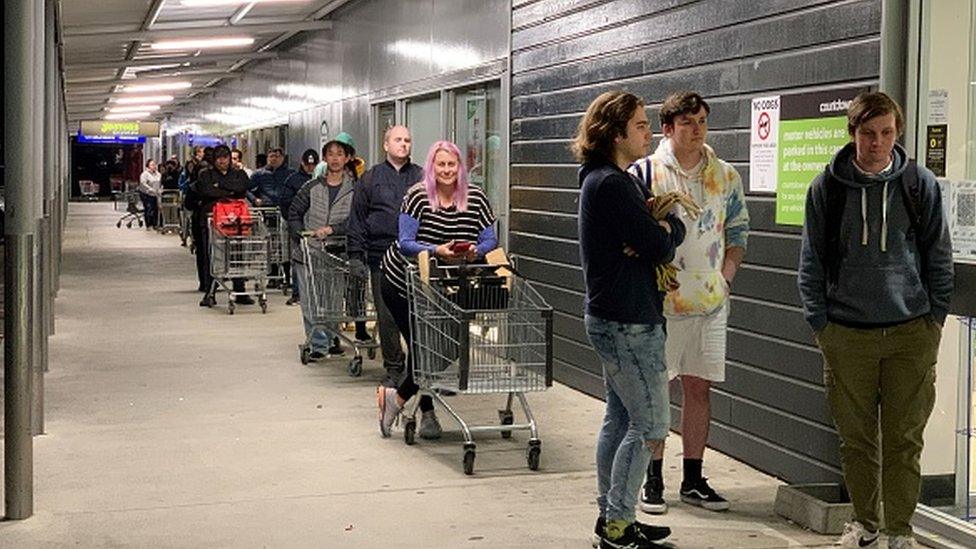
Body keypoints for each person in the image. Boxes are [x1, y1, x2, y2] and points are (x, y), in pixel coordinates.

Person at [798, 92, 953, 549]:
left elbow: (938, 256)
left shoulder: (918, 184)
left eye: (886, 133)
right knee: (856, 440)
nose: (877, 143)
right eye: (868, 133)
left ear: (897, 132)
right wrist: (820, 325)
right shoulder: (826, 187)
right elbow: (811, 262)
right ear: (852, 134)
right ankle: (864, 524)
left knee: (905, 440)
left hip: (911, 333)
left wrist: (934, 322)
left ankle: (899, 530)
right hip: (846, 335)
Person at [628, 91, 749, 515]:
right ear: (667, 128)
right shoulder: (644, 172)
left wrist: (727, 278)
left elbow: (738, 230)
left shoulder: (726, 175)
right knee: (657, 393)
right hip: (660, 305)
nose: (696, 130)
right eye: (687, 123)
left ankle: (694, 478)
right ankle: (653, 478)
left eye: (701, 121)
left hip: (711, 303)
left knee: (699, 389)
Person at [576, 91, 683, 549]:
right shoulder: (613, 185)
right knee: (651, 425)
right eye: (640, 125)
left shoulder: (613, 180)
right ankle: (617, 524)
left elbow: (665, 228)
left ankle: (613, 516)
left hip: (618, 317)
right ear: (615, 133)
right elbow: (660, 242)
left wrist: (662, 228)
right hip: (627, 322)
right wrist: (661, 231)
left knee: (620, 420)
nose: (648, 131)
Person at [376, 140, 497, 441]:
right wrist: (436, 249)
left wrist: (475, 251)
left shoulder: (476, 198)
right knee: (423, 346)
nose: (446, 170)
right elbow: (405, 242)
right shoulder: (417, 196)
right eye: (440, 165)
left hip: (444, 284)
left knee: (444, 347)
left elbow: (490, 239)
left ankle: (396, 399)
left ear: (460, 167)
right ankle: (425, 412)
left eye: (451, 164)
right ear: (432, 168)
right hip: (402, 282)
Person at [348, 126, 423, 389]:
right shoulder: (369, 179)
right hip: (381, 257)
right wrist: (356, 255)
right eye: (398, 140)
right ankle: (394, 369)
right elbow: (356, 220)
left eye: (407, 140)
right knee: (388, 316)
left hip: (416, 259)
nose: (403, 144)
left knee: (420, 317)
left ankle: (422, 369)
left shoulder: (422, 177)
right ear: (385, 145)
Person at [288, 139, 357, 359]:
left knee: (332, 300)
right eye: (330, 154)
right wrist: (302, 236)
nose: (335, 158)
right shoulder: (311, 187)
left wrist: (332, 229)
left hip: (336, 253)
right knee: (310, 301)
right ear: (324, 159)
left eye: (340, 154)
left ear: (347, 158)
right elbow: (294, 214)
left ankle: (331, 338)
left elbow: (357, 221)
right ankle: (318, 345)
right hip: (309, 253)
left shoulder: (355, 190)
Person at [189, 145, 254, 307]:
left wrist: (220, 187)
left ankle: (240, 290)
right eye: (219, 158)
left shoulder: (239, 174)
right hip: (212, 221)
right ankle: (209, 292)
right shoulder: (205, 175)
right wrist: (231, 192)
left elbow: (243, 188)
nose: (222, 161)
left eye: (225, 157)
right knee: (211, 256)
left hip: (235, 221)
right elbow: (206, 191)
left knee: (237, 255)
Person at [280, 149, 320, 306]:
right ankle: (297, 293)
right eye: (308, 164)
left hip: (317, 227)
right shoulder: (293, 180)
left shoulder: (321, 180)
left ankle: (315, 291)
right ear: (302, 163)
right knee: (299, 259)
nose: (310, 168)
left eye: (313, 165)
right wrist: (293, 224)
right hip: (300, 227)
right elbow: (285, 203)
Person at [138, 159, 162, 229]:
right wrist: (150, 189)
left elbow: (160, 182)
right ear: (148, 166)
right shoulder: (145, 174)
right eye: (152, 165)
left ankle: (155, 224)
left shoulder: (158, 174)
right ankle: (149, 224)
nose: (154, 166)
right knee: (149, 208)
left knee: (156, 209)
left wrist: (159, 189)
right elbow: (143, 184)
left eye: (155, 164)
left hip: (156, 194)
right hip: (146, 194)